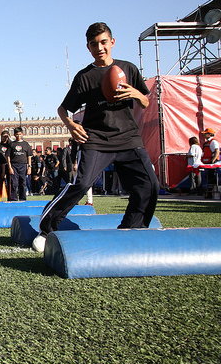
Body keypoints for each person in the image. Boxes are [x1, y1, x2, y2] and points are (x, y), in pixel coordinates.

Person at [34, 22, 159, 252]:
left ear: (112, 42)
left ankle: (132, 228)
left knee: (150, 185)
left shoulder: (128, 69)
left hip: (128, 138)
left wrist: (135, 93)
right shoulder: (84, 77)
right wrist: (71, 125)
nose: (99, 47)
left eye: (103, 42)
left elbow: (146, 101)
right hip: (96, 140)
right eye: (94, 44)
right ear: (88, 48)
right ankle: (46, 228)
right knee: (80, 183)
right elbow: (63, 109)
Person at [7, 127, 32, 201]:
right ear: (14, 135)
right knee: (14, 184)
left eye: (20, 134)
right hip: (14, 165)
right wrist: (10, 167)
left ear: (22, 134)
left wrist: (29, 167)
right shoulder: (12, 144)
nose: (18, 136)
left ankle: (22, 199)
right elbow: (8, 156)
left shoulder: (26, 144)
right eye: (17, 134)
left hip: (23, 165)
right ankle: (14, 199)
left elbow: (29, 156)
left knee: (23, 183)